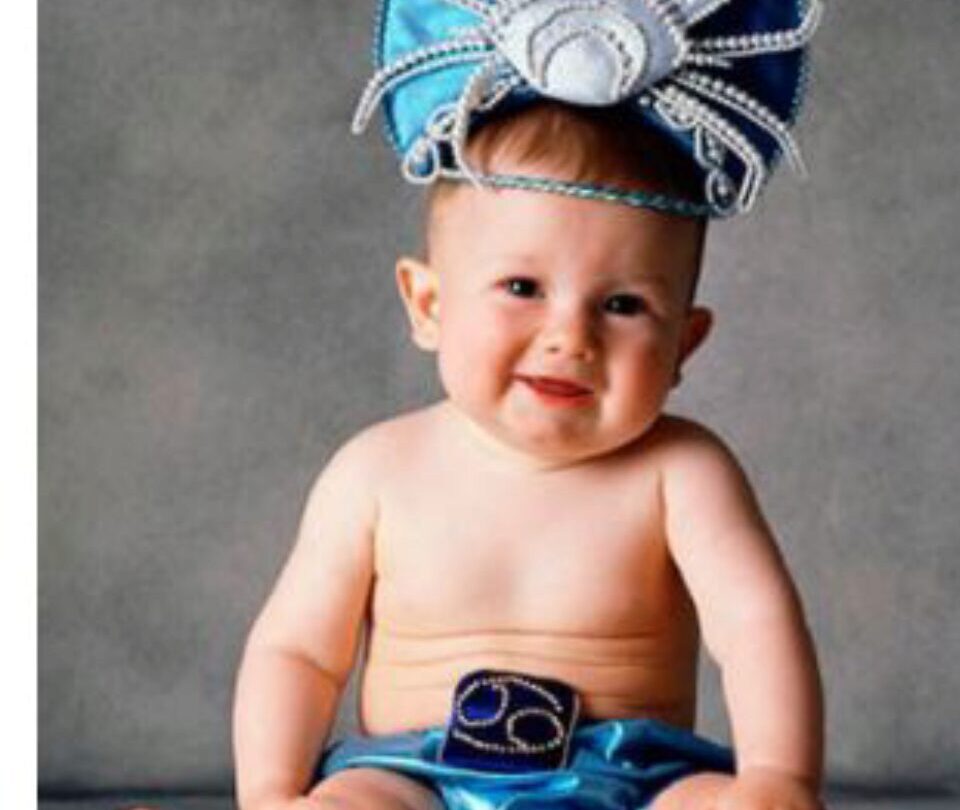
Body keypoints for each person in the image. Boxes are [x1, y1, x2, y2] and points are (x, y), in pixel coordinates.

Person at [233, 2, 825, 809]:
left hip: (636, 777)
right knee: (355, 802)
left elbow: (756, 629)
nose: (569, 337)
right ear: (429, 304)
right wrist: (270, 790)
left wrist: (780, 779)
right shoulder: (374, 472)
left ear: (683, 345)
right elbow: (297, 651)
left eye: (623, 305)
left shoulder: (684, 472)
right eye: (522, 287)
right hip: (416, 775)